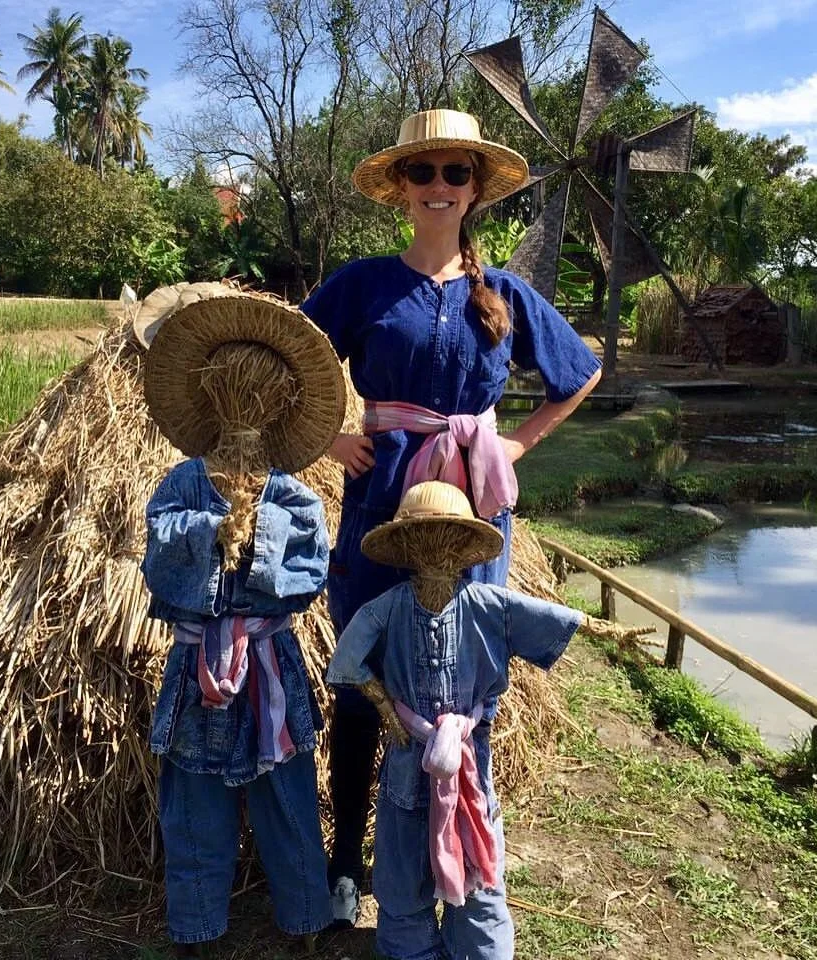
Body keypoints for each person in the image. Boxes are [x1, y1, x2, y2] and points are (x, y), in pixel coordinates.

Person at [300, 107, 603, 924]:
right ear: (400, 187)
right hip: (380, 503)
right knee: (364, 675)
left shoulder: (505, 292)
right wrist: (329, 438)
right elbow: (288, 360)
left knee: (465, 682)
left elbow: (580, 372)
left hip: (473, 513)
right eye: (423, 171)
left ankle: (461, 850)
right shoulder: (362, 284)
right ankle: (346, 860)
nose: (439, 185)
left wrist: (516, 445)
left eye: (455, 172)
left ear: (474, 190)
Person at [140, 294, 346, 956]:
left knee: (286, 795)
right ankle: (196, 924)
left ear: (280, 400)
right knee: (194, 799)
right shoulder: (182, 484)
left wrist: (259, 533)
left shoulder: (290, 491)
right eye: (234, 384)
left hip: (267, 665)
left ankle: (305, 916)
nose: (246, 399)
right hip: (197, 666)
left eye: (260, 389)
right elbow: (158, 554)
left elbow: (311, 567)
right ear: (210, 391)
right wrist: (212, 530)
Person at [326, 480, 585, 960]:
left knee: (479, 870)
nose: (436, 550)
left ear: (464, 545)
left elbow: (557, 621)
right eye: (424, 538)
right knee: (403, 872)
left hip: (468, 765)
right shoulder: (388, 607)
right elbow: (344, 662)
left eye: (447, 538)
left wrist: (607, 629)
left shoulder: (487, 604)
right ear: (406, 546)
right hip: (409, 760)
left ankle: (477, 948)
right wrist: (384, 706)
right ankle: (412, 949)